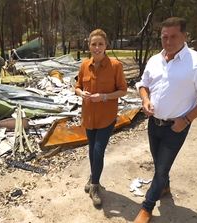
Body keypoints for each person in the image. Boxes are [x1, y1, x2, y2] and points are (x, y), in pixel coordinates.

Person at [134, 17, 197, 223]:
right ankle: (164, 186)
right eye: (165, 36)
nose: (168, 41)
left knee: (162, 168)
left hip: (176, 127)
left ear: (184, 36)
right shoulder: (155, 60)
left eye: (174, 36)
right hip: (154, 123)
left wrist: (187, 119)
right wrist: (145, 100)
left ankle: (147, 207)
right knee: (159, 164)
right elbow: (143, 84)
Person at [75, 29, 128, 207]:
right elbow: (77, 86)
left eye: (100, 44)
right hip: (89, 116)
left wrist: (104, 96)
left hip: (106, 117)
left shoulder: (115, 65)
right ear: (89, 46)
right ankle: (93, 177)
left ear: (106, 46)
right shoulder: (84, 65)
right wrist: (81, 93)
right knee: (91, 150)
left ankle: (95, 186)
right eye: (93, 44)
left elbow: (123, 90)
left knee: (98, 151)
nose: (97, 47)